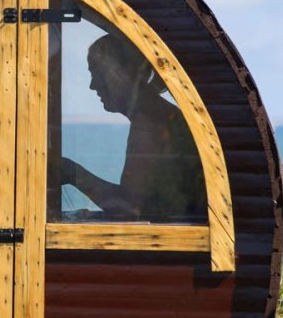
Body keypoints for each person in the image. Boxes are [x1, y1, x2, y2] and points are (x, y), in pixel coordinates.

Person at [61, 34, 207, 222]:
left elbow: (130, 209)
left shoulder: (150, 124)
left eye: (97, 73)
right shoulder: (156, 116)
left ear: (124, 73)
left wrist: (72, 173)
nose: (92, 85)